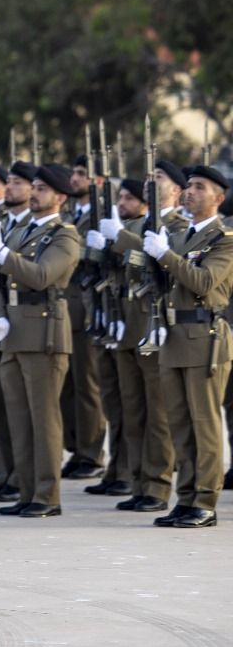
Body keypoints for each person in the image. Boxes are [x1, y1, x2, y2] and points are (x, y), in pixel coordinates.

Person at [0, 164, 82, 518]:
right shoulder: (21, 230)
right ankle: (25, 490)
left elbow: (40, 276)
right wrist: (0, 312)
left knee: (44, 417)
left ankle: (47, 496)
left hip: (44, 333)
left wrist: (2, 253)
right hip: (15, 331)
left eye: (41, 188)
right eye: (32, 186)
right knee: (18, 418)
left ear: (60, 197)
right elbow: (3, 280)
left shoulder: (65, 236)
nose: (33, 192)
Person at [139, 164, 233, 528]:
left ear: (218, 198)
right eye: (189, 186)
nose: (189, 192)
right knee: (179, 423)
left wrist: (164, 255)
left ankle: (206, 502)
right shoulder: (178, 237)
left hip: (204, 338)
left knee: (204, 423)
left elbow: (204, 281)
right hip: (174, 337)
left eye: (199, 187)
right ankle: (187, 496)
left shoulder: (224, 239)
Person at [100, 176, 179, 512]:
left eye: (159, 178)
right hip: (129, 328)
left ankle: (158, 488)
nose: (151, 182)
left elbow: (164, 258)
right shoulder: (135, 223)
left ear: (176, 188)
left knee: (158, 416)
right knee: (133, 413)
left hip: (156, 329)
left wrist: (120, 238)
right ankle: (138, 482)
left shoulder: (179, 225)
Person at [61, 155, 109, 481]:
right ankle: (76, 447)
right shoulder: (66, 215)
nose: (75, 179)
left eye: (82, 174)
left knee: (88, 385)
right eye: (74, 173)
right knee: (69, 386)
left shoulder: (106, 216)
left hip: (89, 306)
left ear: (99, 181)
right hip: (66, 306)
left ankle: (92, 453)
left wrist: (97, 249)